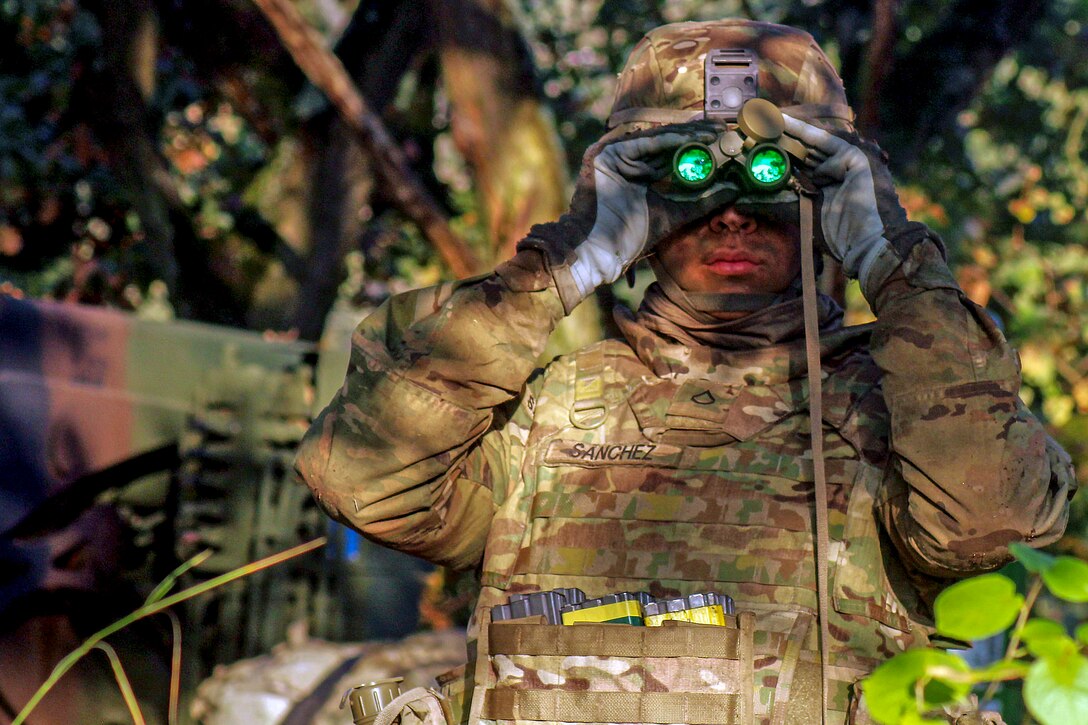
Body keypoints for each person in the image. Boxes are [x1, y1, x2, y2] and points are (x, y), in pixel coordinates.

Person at [295, 19, 1075, 725]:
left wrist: (891, 255)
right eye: (689, 184)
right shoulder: (546, 411)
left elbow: (985, 528)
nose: (731, 213)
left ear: (823, 204)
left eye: (772, 181)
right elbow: (367, 478)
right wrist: (563, 261)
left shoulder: (899, 409)